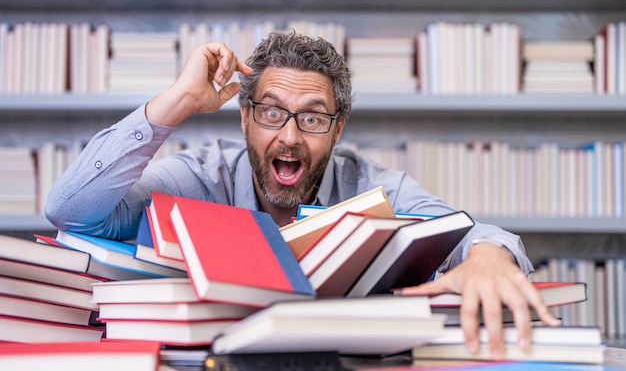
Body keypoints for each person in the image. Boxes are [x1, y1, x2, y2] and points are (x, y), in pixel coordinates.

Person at [46, 30, 560, 359]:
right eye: (271, 112)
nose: (290, 137)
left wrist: (490, 256)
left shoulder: (373, 187)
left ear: (337, 131)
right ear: (245, 117)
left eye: (313, 118)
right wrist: (176, 103)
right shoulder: (198, 180)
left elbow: (465, 233)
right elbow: (69, 211)